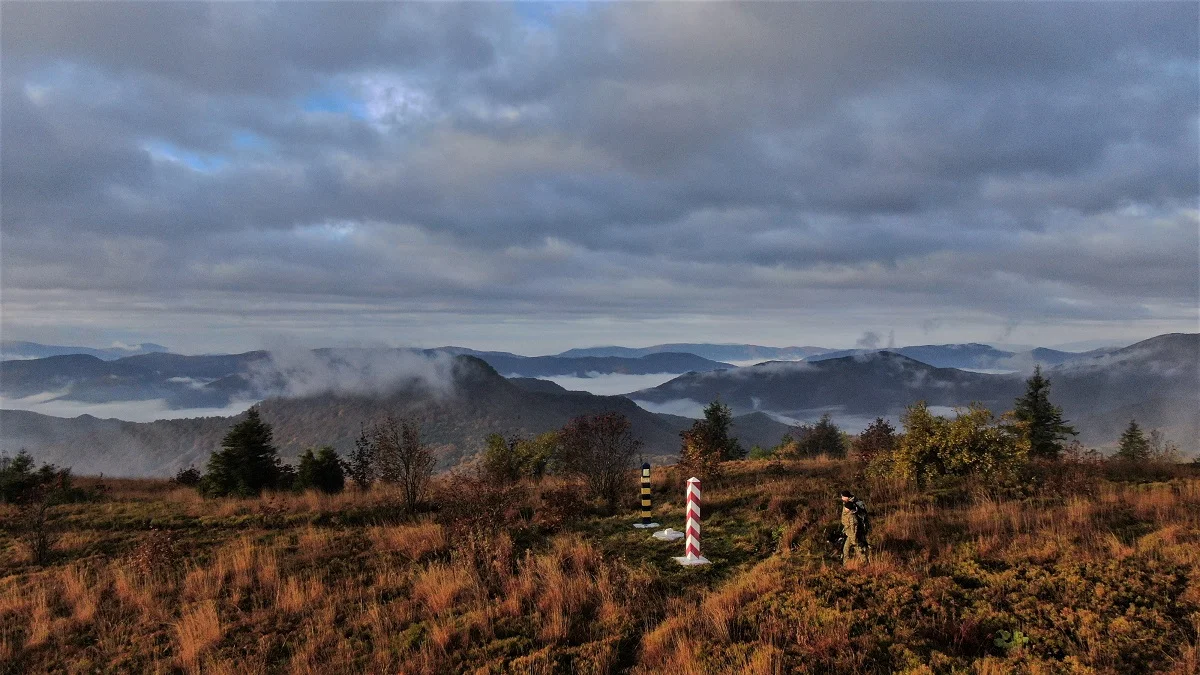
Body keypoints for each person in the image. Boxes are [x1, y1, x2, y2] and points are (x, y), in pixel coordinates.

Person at [840, 489, 869, 564]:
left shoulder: (852, 516)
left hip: (853, 533)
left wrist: (854, 537)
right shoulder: (848, 503)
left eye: (843, 496)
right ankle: (846, 565)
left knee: (857, 548)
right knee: (846, 549)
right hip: (849, 531)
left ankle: (865, 563)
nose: (842, 498)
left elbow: (854, 526)